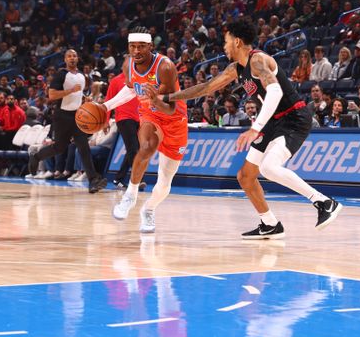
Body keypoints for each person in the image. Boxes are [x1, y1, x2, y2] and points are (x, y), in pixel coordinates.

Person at [153, 21, 343, 239]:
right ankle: (270, 223)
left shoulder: (258, 60)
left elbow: (275, 92)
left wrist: (255, 128)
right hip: (273, 120)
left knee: (269, 168)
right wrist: (167, 97)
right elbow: (206, 87)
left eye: (226, 42)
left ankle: (324, 202)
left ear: (237, 41)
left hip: (294, 117)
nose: (224, 47)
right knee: (245, 175)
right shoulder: (236, 68)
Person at [106, 29, 189, 233]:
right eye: (132, 47)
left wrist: (155, 100)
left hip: (174, 118)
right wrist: (106, 106)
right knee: (146, 146)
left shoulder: (166, 67)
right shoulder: (128, 65)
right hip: (150, 115)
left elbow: (170, 107)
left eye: (141, 47)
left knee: (164, 181)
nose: (136, 51)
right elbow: (131, 88)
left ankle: (149, 209)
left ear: (151, 47)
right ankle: (130, 193)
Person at [28, 49, 108, 193]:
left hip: (77, 116)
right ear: (65, 59)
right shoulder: (61, 74)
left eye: (74, 56)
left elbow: (79, 94)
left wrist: (85, 98)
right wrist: (69, 91)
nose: (72, 58)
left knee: (83, 147)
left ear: (77, 59)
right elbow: (51, 95)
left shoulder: (83, 76)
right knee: (59, 147)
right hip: (62, 116)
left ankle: (93, 180)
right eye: (69, 56)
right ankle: (36, 156)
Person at [104, 70, 141, 189]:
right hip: (124, 118)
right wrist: (106, 120)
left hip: (140, 118)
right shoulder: (116, 81)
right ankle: (139, 179)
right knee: (133, 149)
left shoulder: (139, 79)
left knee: (134, 150)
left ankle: (118, 178)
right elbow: (108, 100)